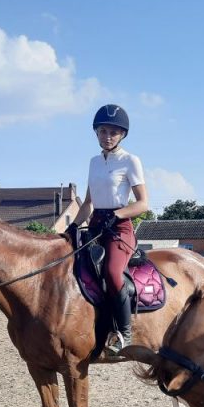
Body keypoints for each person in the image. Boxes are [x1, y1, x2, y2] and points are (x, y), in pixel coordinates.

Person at [69, 104, 149, 355]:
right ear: (96, 132)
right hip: (95, 226)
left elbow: (143, 204)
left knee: (113, 273)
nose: (107, 136)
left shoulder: (130, 161)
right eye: (103, 131)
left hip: (119, 228)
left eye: (113, 132)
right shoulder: (94, 162)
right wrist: (73, 226)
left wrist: (117, 215)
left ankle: (124, 332)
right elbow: (89, 202)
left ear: (122, 134)